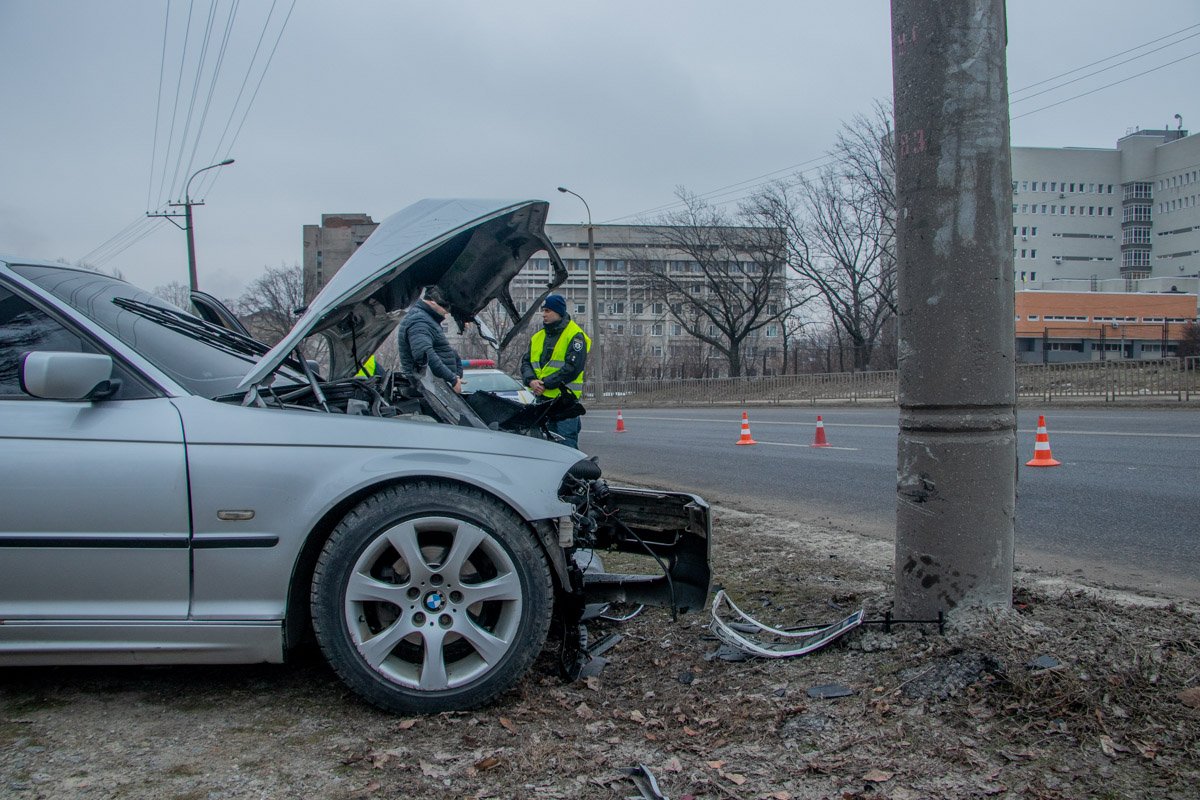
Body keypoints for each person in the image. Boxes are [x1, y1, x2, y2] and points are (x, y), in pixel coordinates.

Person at [521, 293, 590, 449]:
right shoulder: (538, 337)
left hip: (565, 402)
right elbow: (526, 363)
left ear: (558, 312)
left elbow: (572, 368)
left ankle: (572, 474)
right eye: (543, 310)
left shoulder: (575, 335)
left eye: (547, 311)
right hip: (542, 401)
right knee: (546, 446)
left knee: (566, 445)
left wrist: (545, 384)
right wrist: (531, 381)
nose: (543, 314)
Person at [397, 285, 463, 393]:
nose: (448, 311)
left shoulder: (427, 319)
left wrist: (456, 375)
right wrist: (452, 379)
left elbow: (441, 349)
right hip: (429, 390)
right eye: (446, 306)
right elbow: (424, 355)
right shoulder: (420, 320)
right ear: (433, 301)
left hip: (435, 387)